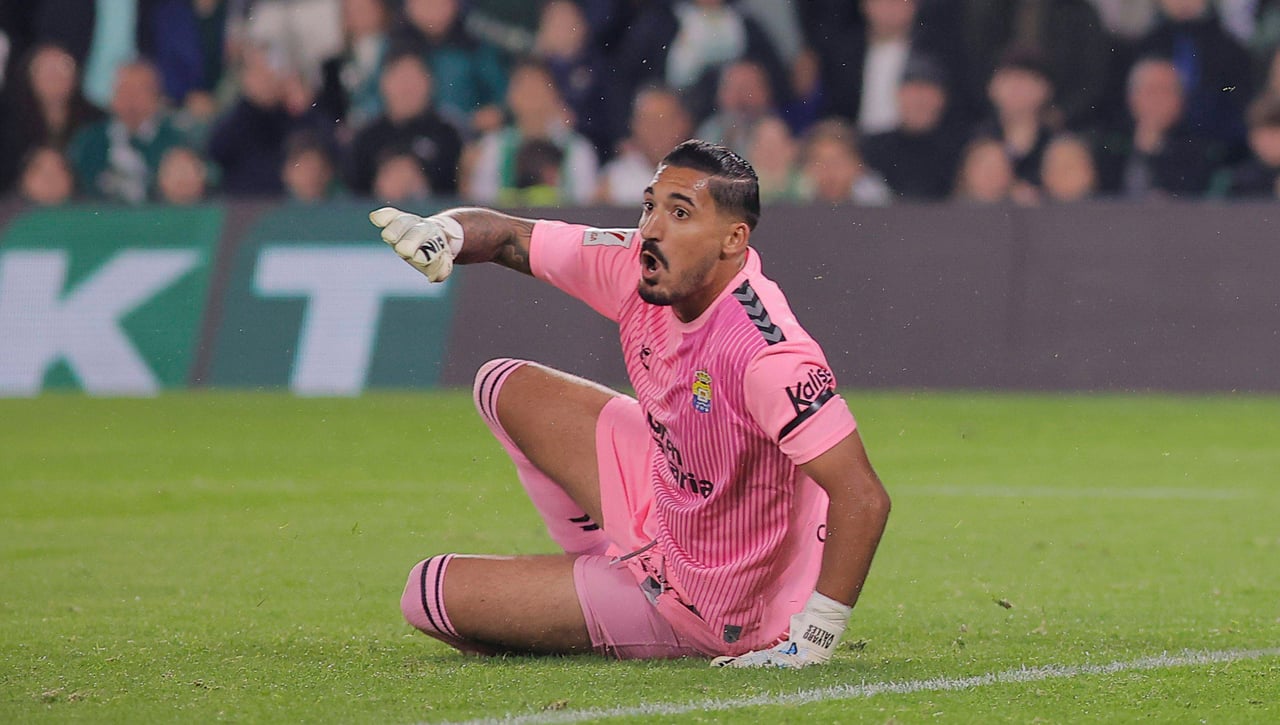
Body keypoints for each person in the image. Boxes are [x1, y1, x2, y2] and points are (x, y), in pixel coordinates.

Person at [373, 139, 891, 667]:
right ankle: (605, 563)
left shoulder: (766, 353)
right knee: (502, 385)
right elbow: (510, 237)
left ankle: (625, 592)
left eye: (680, 213)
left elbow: (863, 496)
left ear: (733, 240)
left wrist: (815, 637)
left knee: (428, 592)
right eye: (651, 206)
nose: (651, 230)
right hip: (666, 494)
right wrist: (444, 231)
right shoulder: (640, 263)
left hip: (720, 598)